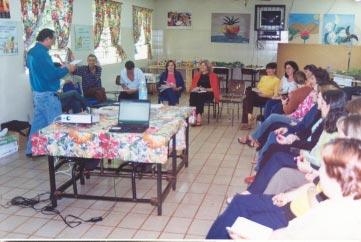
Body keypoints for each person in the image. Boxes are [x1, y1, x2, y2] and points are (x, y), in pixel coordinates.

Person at [208, 138, 361, 240]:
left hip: (289, 216)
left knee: (240, 224)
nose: (319, 172)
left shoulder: (336, 219)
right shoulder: (338, 200)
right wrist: (291, 195)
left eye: (325, 168)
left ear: (342, 177)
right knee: (239, 202)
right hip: (289, 207)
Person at [25, 28, 75, 157]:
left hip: (37, 93)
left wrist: (57, 67)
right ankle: (59, 153)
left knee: (38, 123)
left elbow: (40, 70)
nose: (53, 43)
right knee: (56, 125)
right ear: (47, 39)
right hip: (47, 94)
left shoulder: (31, 52)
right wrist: (67, 69)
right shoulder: (42, 53)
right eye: (52, 40)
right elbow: (51, 75)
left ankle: (30, 150)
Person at [240, 62, 280, 129]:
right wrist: (256, 90)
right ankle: (249, 116)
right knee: (248, 93)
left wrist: (264, 95)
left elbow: (275, 95)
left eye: (270, 69)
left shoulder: (277, 80)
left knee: (246, 100)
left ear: (274, 70)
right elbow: (258, 87)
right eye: (267, 69)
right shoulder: (263, 77)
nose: (268, 70)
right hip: (257, 96)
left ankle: (246, 121)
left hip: (266, 99)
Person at [189, 60, 220, 126]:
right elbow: (192, 87)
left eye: (204, 65)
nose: (202, 67)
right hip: (198, 92)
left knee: (200, 95)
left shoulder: (213, 76)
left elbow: (214, 89)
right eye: (201, 65)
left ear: (208, 67)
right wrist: (195, 89)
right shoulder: (197, 75)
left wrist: (205, 89)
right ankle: (194, 114)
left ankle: (198, 115)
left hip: (209, 93)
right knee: (193, 94)